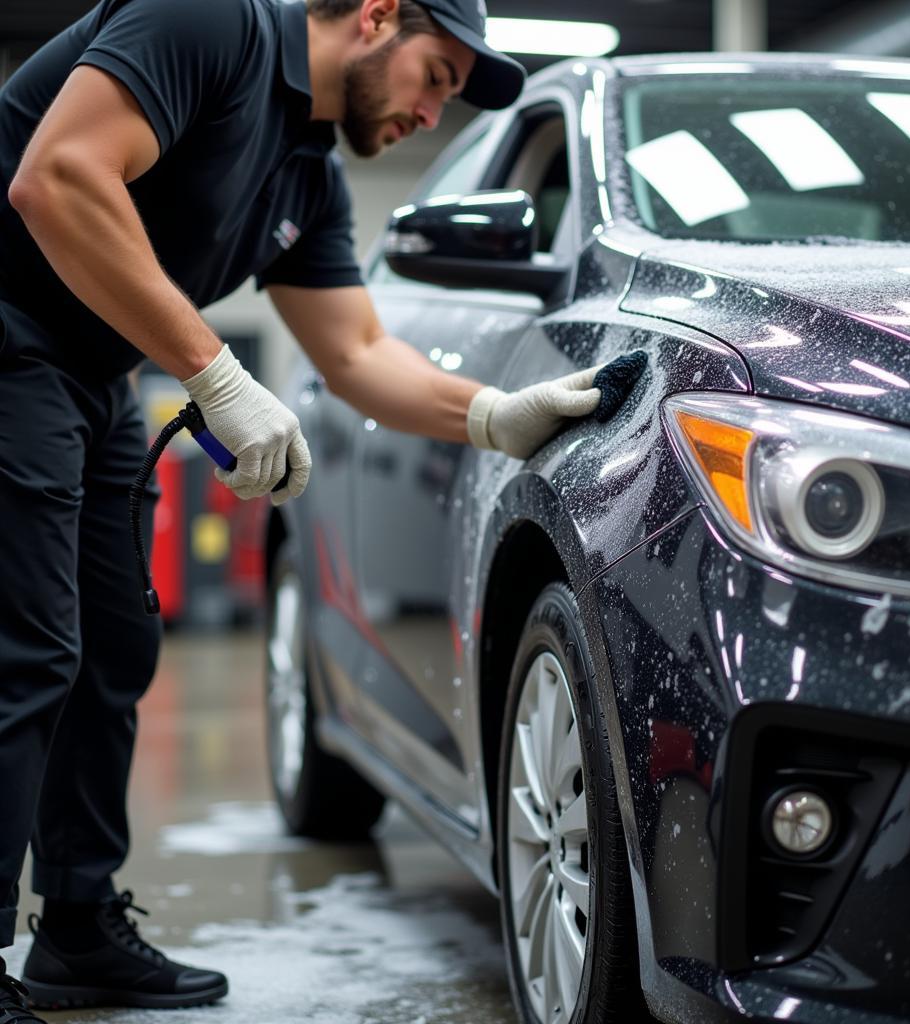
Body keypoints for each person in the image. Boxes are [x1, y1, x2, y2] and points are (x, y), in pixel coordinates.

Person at [0, 0, 604, 1018]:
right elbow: (54, 176)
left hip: (91, 372)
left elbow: (359, 354)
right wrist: (217, 374)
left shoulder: (307, 175)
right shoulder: (203, 25)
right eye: (436, 78)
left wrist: (496, 414)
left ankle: (76, 924)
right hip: (12, 331)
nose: (431, 113)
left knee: (112, 644)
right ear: (375, 16)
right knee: (27, 650)